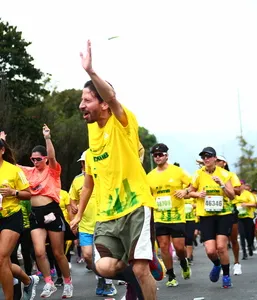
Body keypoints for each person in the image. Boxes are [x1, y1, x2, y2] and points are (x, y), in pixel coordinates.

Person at [70, 40, 160, 300]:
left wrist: (90, 72)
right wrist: (80, 214)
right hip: (108, 214)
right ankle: (140, 275)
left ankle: (144, 272)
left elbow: (111, 97)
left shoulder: (123, 121)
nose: (81, 106)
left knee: (141, 268)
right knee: (103, 266)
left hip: (135, 207)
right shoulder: (91, 131)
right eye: (81, 100)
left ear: (104, 104)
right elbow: (90, 182)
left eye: (87, 100)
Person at [20, 125, 73, 298]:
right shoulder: (29, 172)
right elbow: (10, 164)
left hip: (51, 212)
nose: (35, 162)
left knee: (58, 253)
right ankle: (49, 283)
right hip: (36, 213)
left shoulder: (52, 170)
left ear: (45, 159)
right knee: (39, 252)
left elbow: (52, 156)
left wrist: (47, 138)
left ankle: (67, 282)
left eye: (38, 159)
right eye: (32, 159)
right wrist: (2, 142)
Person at [69, 151, 117, 297]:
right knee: (87, 256)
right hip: (85, 225)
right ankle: (100, 277)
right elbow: (72, 198)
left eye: (86, 163)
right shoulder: (77, 180)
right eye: (82, 163)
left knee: (101, 256)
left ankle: (108, 283)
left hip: (103, 223)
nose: (84, 166)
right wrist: (74, 208)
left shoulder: (104, 177)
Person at [0, 132, 39, 300]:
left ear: (2, 150)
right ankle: (27, 280)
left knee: (1, 258)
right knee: (5, 262)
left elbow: (28, 194)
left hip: (12, 216)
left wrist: (13, 192)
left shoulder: (13, 170)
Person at [189, 147, 235, 288]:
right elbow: (190, 192)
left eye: (208, 156)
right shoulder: (198, 174)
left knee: (221, 247)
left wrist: (221, 185)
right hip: (206, 215)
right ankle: (217, 265)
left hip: (223, 214)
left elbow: (232, 195)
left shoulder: (224, 174)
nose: (206, 159)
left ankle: (226, 276)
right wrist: (198, 195)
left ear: (215, 158)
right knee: (210, 250)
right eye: (203, 157)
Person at [147, 143, 192, 287]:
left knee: (179, 248)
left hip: (177, 215)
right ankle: (171, 276)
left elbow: (192, 185)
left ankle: (184, 263)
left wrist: (185, 192)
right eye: (155, 155)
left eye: (160, 154)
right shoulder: (150, 176)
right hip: (160, 217)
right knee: (164, 247)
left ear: (167, 155)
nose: (158, 157)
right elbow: (147, 195)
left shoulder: (178, 171)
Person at [215, 155, 242, 275]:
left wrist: (224, 186)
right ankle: (223, 264)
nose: (216, 162)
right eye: (215, 160)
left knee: (233, 239)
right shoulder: (210, 175)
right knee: (219, 242)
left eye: (219, 161)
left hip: (230, 209)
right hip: (216, 210)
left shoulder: (230, 175)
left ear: (224, 163)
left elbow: (238, 191)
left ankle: (237, 263)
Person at [233, 182, 257, 260]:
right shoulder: (234, 194)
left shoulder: (248, 194)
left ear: (244, 186)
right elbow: (231, 203)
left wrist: (246, 204)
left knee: (249, 234)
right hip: (239, 217)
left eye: (241, 185)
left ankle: (250, 245)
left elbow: (254, 204)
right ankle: (244, 252)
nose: (239, 187)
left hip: (248, 216)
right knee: (242, 234)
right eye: (237, 185)